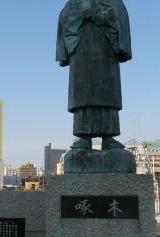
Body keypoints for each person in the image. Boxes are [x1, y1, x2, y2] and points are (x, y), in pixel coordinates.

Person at [57, 0, 132, 150]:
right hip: (81, 50)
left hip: (106, 49)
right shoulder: (73, 3)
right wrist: (85, 13)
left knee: (107, 92)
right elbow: (64, 18)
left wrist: (101, 13)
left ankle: (108, 137)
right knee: (83, 94)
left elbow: (120, 14)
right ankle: (84, 137)